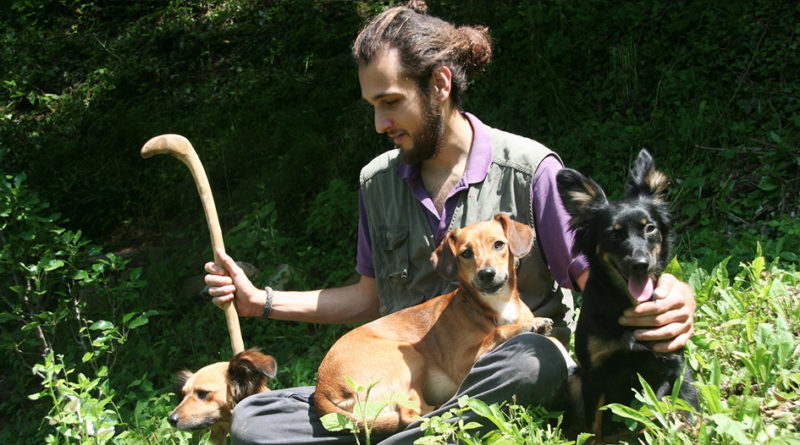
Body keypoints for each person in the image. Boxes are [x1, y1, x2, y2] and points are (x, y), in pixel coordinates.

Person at [204, 4, 696, 444]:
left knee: (534, 361)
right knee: (255, 417)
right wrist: (262, 302)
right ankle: (422, 432)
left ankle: (410, 433)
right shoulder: (376, 182)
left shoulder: (530, 169)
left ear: (439, 85)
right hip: (410, 380)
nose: (379, 124)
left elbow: (599, 274)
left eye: (391, 101)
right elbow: (367, 296)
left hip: (505, 368)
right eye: (373, 106)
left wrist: (667, 291)